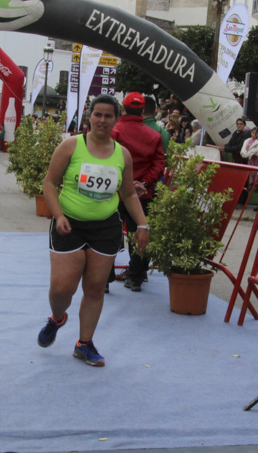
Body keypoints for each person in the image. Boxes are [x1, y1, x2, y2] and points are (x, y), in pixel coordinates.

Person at [37, 95, 149, 367]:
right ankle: (57, 317)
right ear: (89, 117)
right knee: (62, 288)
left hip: (106, 228)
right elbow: (50, 184)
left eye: (108, 115)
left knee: (96, 286)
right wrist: (59, 215)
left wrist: (143, 225)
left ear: (116, 119)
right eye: (97, 114)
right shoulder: (71, 146)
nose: (102, 120)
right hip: (70, 225)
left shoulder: (122, 154)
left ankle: (84, 344)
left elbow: (129, 194)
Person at [109, 93, 164, 293]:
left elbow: (108, 160)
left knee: (110, 233)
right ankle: (135, 278)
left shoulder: (115, 131)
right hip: (143, 193)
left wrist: (124, 183)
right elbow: (159, 165)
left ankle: (105, 278)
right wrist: (143, 182)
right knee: (139, 234)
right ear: (142, 111)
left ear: (122, 109)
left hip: (115, 192)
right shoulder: (155, 135)